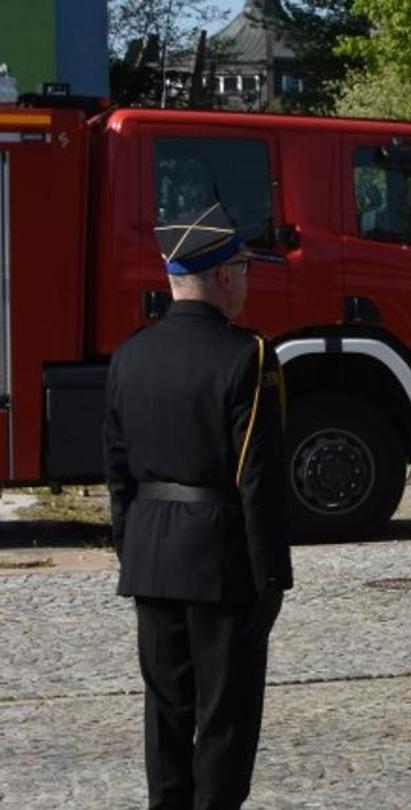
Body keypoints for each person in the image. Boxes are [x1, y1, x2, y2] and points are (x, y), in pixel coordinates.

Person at [103, 202, 293, 810]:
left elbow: (116, 471)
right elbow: (256, 478)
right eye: (244, 268)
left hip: (152, 555)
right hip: (221, 558)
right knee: (225, 716)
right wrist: (270, 574)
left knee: (165, 712)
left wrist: (129, 546)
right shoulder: (248, 356)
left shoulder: (130, 355)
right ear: (224, 276)